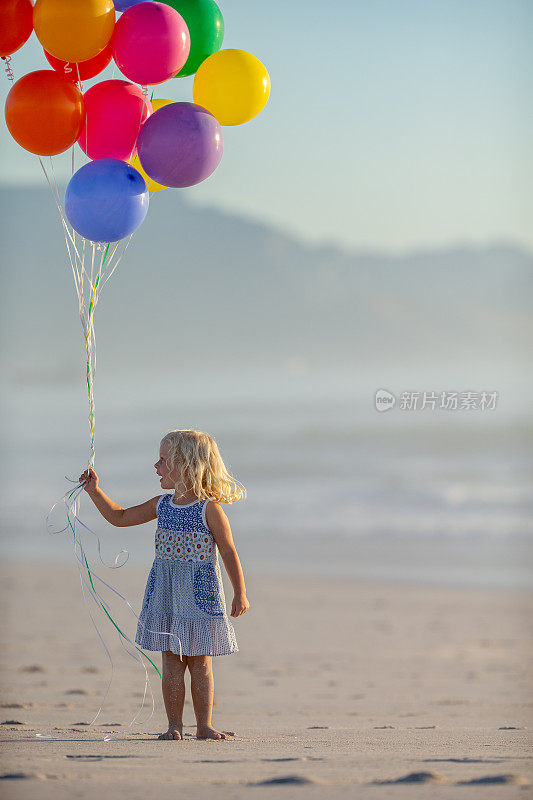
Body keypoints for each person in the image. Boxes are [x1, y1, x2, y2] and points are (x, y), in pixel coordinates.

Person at [79, 428, 249, 741]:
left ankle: (204, 726)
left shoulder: (209, 508)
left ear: (186, 466)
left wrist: (240, 592)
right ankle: (174, 725)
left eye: (162, 460)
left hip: (200, 597)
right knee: (171, 659)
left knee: (200, 661)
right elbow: (120, 517)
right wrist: (94, 492)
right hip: (166, 596)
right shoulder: (162, 505)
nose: (156, 466)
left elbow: (228, 550)